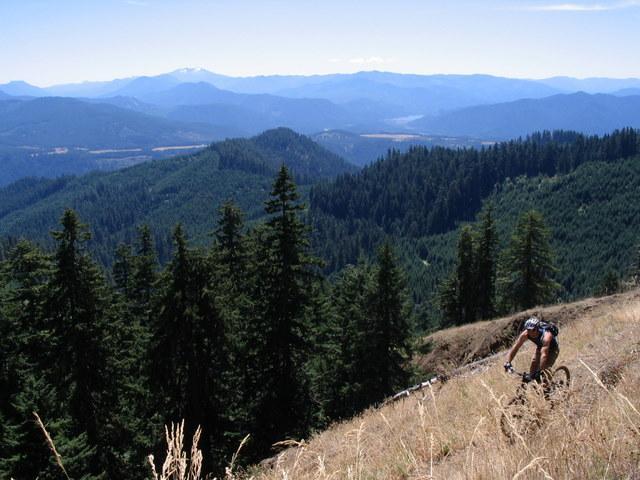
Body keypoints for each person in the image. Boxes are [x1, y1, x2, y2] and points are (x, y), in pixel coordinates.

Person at [503, 316, 559, 383]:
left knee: (544, 370)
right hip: (541, 347)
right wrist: (508, 362)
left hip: (552, 350)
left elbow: (544, 355)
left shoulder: (546, 336)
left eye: (533, 330)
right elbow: (515, 348)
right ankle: (535, 383)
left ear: (537, 328)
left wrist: (540, 371)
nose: (531, 332)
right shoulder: (526, 334)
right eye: (528, 330)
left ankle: (549, 385)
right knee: (533, 366)